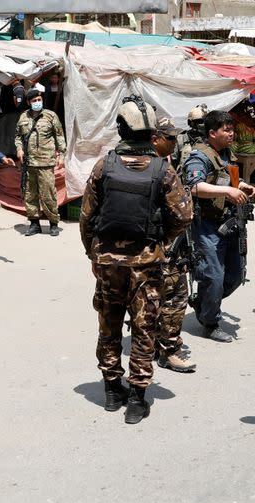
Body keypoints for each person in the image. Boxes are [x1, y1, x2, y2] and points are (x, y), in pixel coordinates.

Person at [80, 96, 192, 424]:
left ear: (121, 129)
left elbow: (88, 216)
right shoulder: (163, 169)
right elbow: (183, 215)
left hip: (108, 263)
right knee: (144, 327)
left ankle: (112, 390)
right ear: (150, 132)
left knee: (109, 324)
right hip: (147, 263)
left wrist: (93, 253)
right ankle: (137, 399)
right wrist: (162, 240)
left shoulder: (105, 165)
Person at [183, 109, 255, 342]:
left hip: (231, 223)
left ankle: (204, 303)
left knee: (235, 276)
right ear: (212, 133)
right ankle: (210, 322)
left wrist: (242, 185)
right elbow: (194, 187)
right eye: (227, 130)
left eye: (232, 129)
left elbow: (230, 179)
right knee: (213, 276)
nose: (231, 133)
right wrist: (227, 190)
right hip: (208, 226)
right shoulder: (199, 156)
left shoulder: (226, 154)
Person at [150, 117, 196, 373]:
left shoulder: (161, 164)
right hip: (163, 246)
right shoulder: (156, 168)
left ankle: (159, 344)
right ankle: (168, 350)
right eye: (169, 138)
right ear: (154, 138)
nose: (174, 142)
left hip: (162, 244)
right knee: (175, 297)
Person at [15, 89, 66, 236]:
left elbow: (59, 137)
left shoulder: (50, 116)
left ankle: (53, 223)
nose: (37, 103)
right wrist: (19, 149)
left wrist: (61, 155)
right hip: (29, 163)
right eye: (34, 101)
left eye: (39, 100)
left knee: (48, 193)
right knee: (30, 194)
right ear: (28, 103)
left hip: (45, 162)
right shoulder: (23, 117)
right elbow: (18, 136)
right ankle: (34, 223)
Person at [175, 104, 207, 171]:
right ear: (191, 123)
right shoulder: (181, 139)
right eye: (200, 121)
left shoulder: (210, 139)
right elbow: (173, 162)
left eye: (205, 121)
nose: (204, 124)